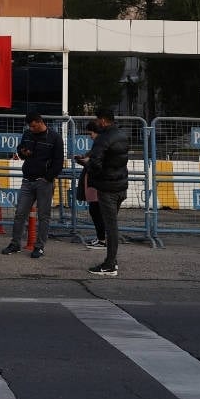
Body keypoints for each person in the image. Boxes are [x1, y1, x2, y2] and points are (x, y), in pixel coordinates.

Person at [1, 113, 65, 259]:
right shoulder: (28, 134)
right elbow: (21, 150)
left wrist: (47, 178)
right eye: (30, 126)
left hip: (44, 182)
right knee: (19, 213)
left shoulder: (55, 138)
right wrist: (22, 152)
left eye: (33, 126)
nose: (31, 128)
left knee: (43, 216)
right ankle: (15, 243)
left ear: (40, 122)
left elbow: (58, 162)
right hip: (27, 180)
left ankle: (39, 246)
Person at [84, 110, 129, 276]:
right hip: (121, 186)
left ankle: (110, 264)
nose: (95, 122)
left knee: (111, 228)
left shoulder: (102, 139)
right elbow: (117, 161)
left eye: (97, 119)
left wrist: (85, 164)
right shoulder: (122, 135)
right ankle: (112, 261)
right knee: (111, 226)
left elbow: (95, 163)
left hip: (107, 188)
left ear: (102, 120)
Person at [75, 120, 106, 249]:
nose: (90, 136)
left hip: (97, 182)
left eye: (91, 133)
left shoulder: (101, 146)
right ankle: (101, 238)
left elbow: (95, 163)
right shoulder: (98, 146)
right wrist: (83, 159)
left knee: (97, 210)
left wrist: (84, 161)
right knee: (95, 210)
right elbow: (90, 159)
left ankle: (102, 239)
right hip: (94, 182)